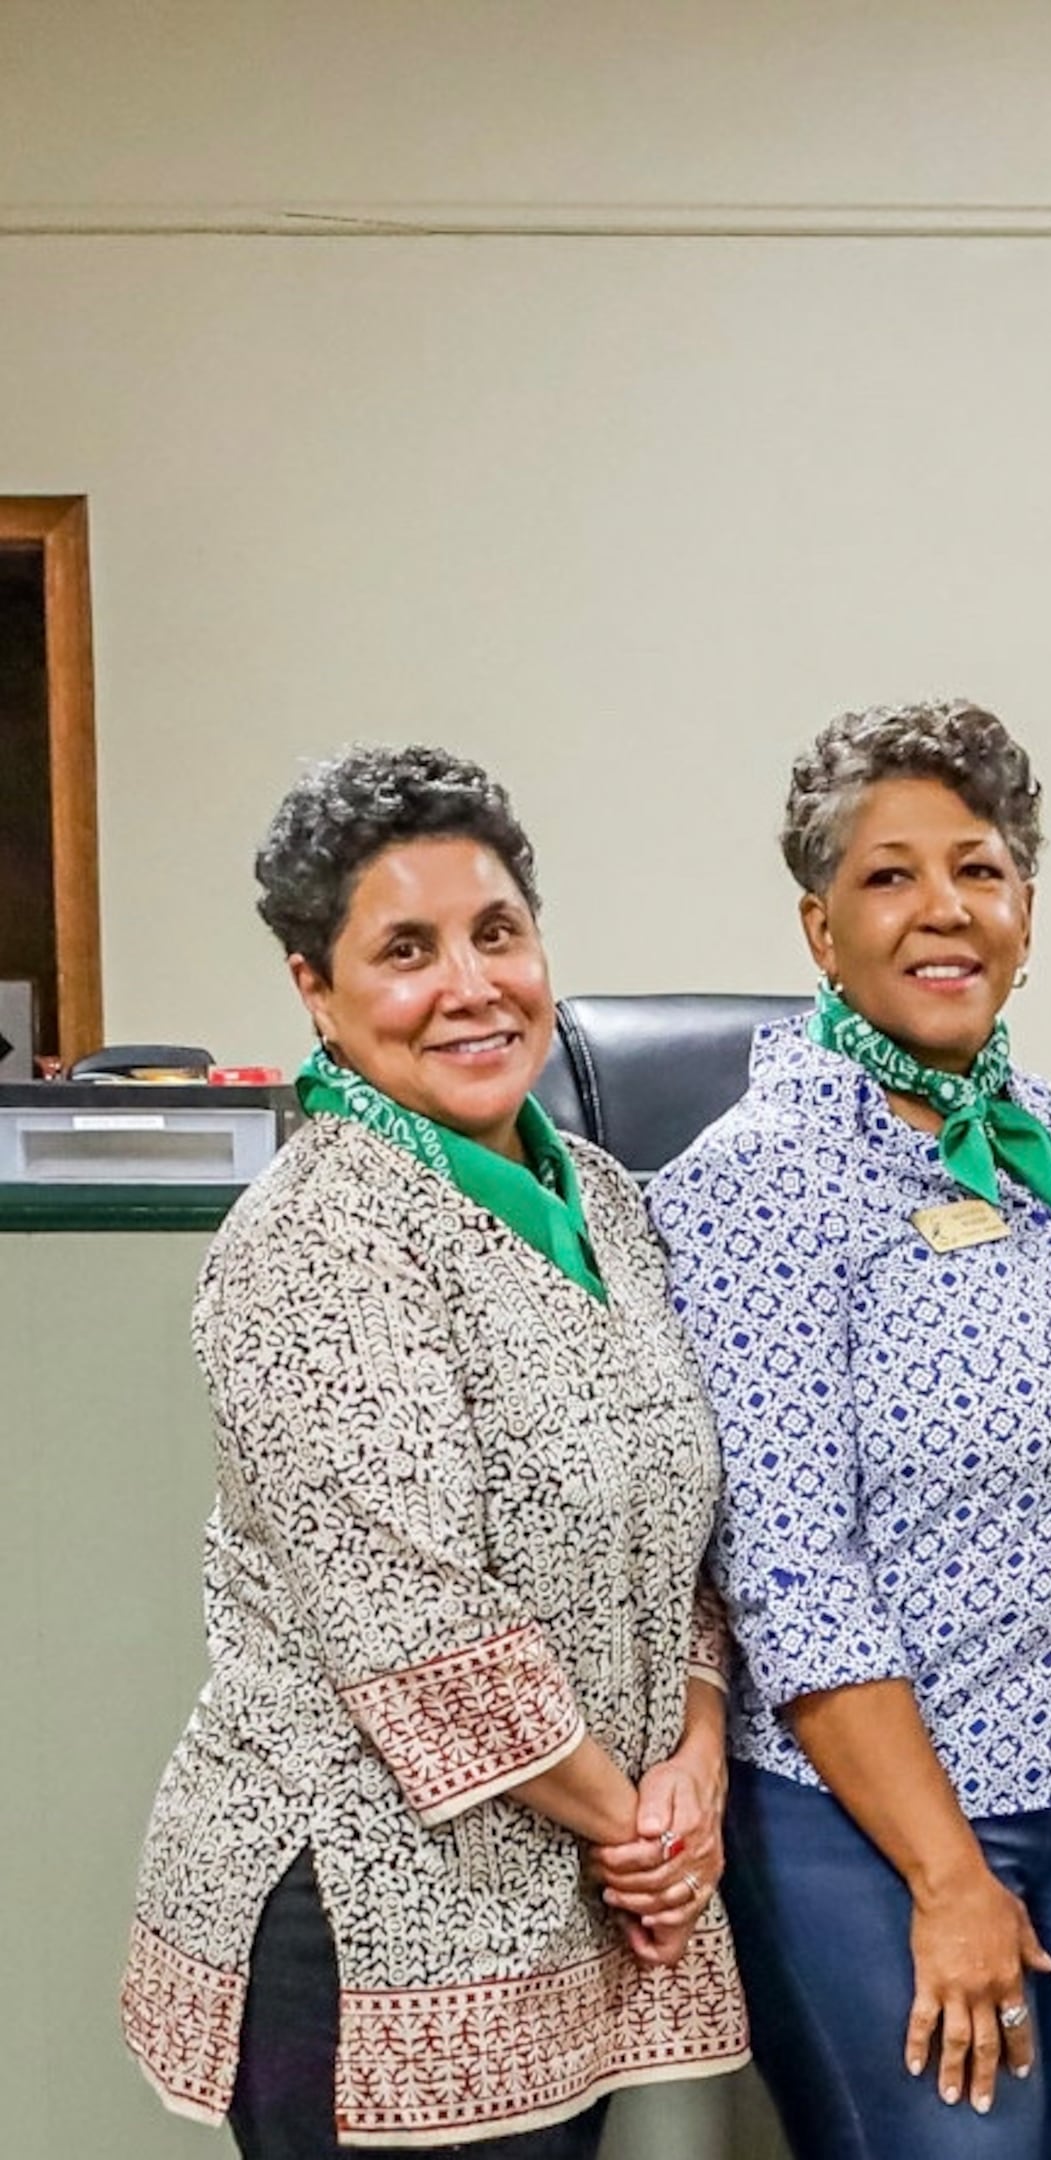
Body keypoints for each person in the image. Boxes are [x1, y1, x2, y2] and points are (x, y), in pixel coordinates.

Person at [122, 746, 747, 2156]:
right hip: (364, 1926)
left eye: (497, 933)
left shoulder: (599, 1198)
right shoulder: (311, 1244)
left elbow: (686, 1535)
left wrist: (697, 1756)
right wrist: (641, 1831)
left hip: (561, 1903)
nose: (471, 986)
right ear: (315, 991)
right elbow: (419, 1630)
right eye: (406, 950)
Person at [650, 701, 1051, 2159]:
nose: (943, 911)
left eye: (978, 869)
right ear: (818, 927)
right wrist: (949, 1874)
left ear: (1026, 907)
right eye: (890, 876)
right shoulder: (755, 1182)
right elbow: (791, 1569)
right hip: (889, 1835)